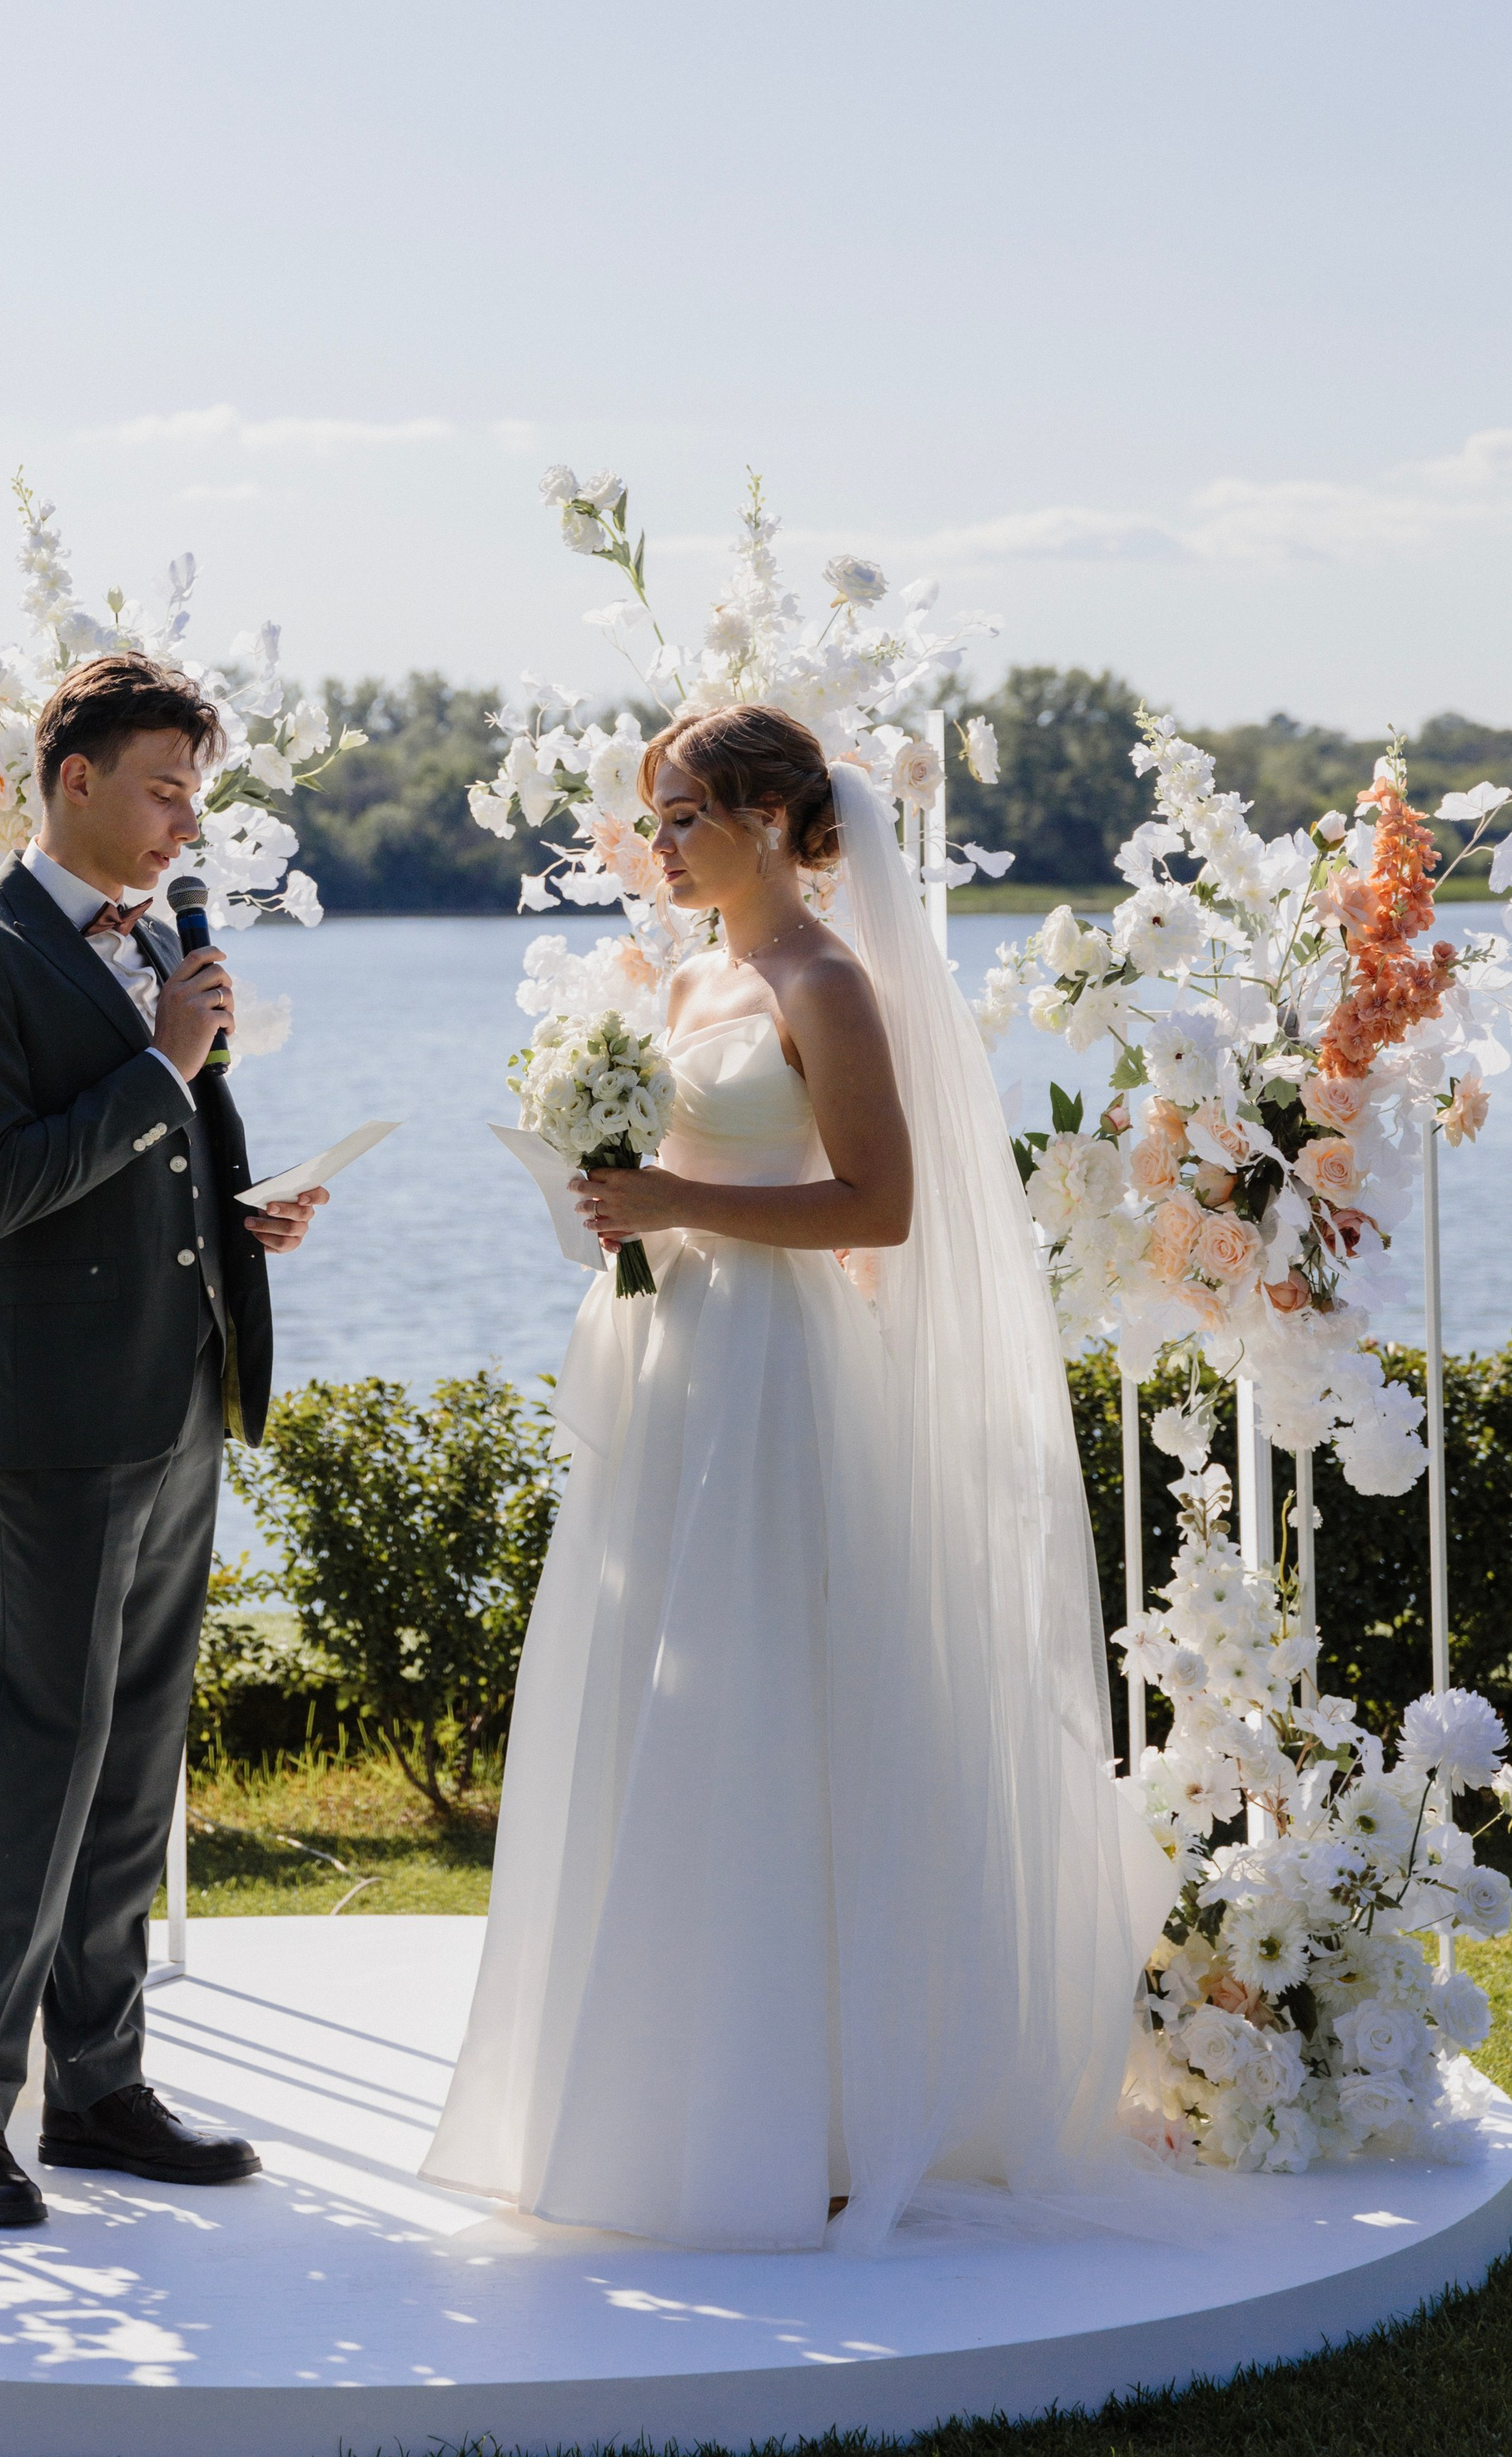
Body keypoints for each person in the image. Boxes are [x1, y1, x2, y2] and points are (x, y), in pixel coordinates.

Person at [422, 704, 1173, 2251]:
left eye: (684, 811)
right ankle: (646, 2087)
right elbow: (682, 1166)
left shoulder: (831, 982)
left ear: (773, 818)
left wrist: (679, 1194)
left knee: (777, 1703)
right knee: (660, 1696)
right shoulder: (693, 974)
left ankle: (815, 2109)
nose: (661, 840)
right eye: (655, 814)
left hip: (780, 1371)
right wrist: (617, 1204)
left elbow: (880, 1207)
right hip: (671, 1358)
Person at [0, 653, 327, 2229]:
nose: (179, 822)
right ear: (68, 775)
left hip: (177, 1401)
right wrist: (162, 1063)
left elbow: (157, 1164)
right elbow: (1, 1198)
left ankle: (98, 2090)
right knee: (41, 1758)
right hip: (57, 1425)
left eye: (193, 794)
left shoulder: (155, 942)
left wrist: (244, 1208)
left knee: (136, 1763)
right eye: (161, 788)